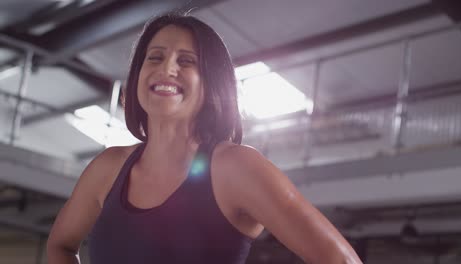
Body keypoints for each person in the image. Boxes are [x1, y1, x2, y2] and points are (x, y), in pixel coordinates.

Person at [46, 13, 363, 264]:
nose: (167, 68)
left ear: (212, 85)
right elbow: (60, 246)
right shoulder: (109, 168)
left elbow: (340, 259)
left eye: (187, 61)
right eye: (154, 58)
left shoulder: (236, 167)